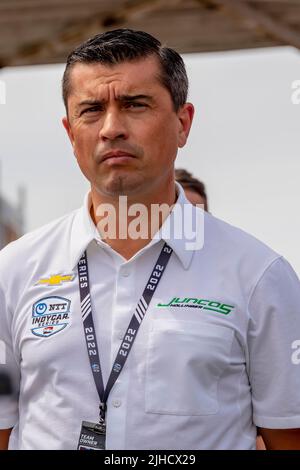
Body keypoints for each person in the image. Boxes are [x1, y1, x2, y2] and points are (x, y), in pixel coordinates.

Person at [1, 29, 300, 451]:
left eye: (135, 105)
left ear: (183, 123)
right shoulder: (13, 273)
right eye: (90, 110)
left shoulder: (259, 276)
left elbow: (288, 437)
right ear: (70, 134)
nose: (111, 128)